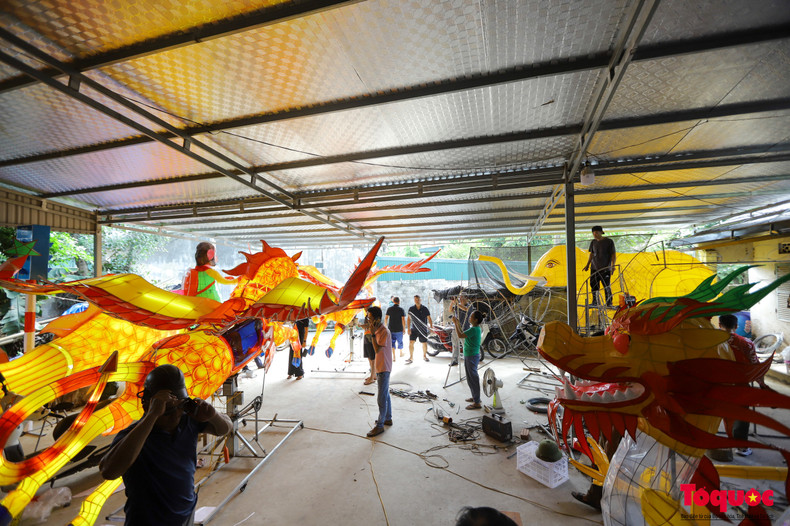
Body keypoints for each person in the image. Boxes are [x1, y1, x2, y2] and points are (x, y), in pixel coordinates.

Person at [99, 364, 232, 526]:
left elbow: (224, 428)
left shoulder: (187, 421)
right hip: (148, 520)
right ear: (147, 405)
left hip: (185, 513)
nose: (176, 414)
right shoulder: (135, 435)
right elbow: (109, 471)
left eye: (180, 406)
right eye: (167, 409)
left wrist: (213, 415)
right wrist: (153, 415)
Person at [719, 313, 770, 456]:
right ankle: (741, 447)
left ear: (719, 325)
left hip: (719, 384)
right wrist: (762, 384)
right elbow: (755, 365)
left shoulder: (713, 343)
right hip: (740, 385)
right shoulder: (746, 343)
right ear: (736, 326)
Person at [364, 306, 393, 437]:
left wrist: (371, 333)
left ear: (377, 319)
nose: (368, 320)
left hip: (384, 367)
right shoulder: (378, 330)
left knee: (381, 397)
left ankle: (380, 425)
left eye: (369, 318)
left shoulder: (383, 331)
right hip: (381, 366)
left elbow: (377, 350)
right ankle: (387, 418)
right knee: (385, 394)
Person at [453, 310, 483, 410]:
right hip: (470, 355)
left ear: (476, 319)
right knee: (470, 378)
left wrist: (455, 324)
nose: (469, 318)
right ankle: (475, 397)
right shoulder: (474, 328)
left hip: (471, 356)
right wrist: (457, 323)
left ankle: (477, 402)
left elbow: (460, 335)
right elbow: (462, 332)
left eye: (471, 316)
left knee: (473, 378)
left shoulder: (474, 330)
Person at [582, 226, 616, 307]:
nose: (595, 234)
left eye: (596, 232)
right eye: (593, 233)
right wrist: (587, 265)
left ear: (601, 232)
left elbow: (613, 254)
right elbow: (592, 254)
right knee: (594, 286)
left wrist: (612, 266)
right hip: (594, 268)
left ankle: (609, 303)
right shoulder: (593, 242)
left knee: (606, 286)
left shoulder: (609, 241)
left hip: (605, 268)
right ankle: (595, 302)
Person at [406, 295, 433, 364]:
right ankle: (411, 357)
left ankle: (424, 356)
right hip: (414, 329)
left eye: (418, 299)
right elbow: (408, 319)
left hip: (423, 329)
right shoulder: (411, 309)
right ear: (414, 300)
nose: (417, 301)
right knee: (411, 342)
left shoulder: (425, 308)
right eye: (415, 299)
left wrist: (431, 327)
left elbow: (429, 318)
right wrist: (408, 329)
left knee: (424, 343)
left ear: (420, 300)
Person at [449, 294, 470, 366]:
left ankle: (467, 361)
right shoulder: (457, 306)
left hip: (465, 329)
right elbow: (450, 310)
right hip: (456, 328)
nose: (460, 299)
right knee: (455, 344)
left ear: (466, 298)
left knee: (465, 345)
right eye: (459, 298)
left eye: (461, 298)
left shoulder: (469, 305)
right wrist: (452, 302)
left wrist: (457, 304)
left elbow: (465, 309)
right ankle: (455, 360)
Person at [385, 296, 407, 361]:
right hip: (399, 329)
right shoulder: (401, 309)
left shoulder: (389, 309)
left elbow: (386, 318)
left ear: (393, 302)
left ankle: (394, 356)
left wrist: (386, 326)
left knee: (392, 342)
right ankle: (401, 353)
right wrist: (404, 328)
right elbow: (403, 319)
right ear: (399, 302)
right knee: (400, 341)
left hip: (391, 329)